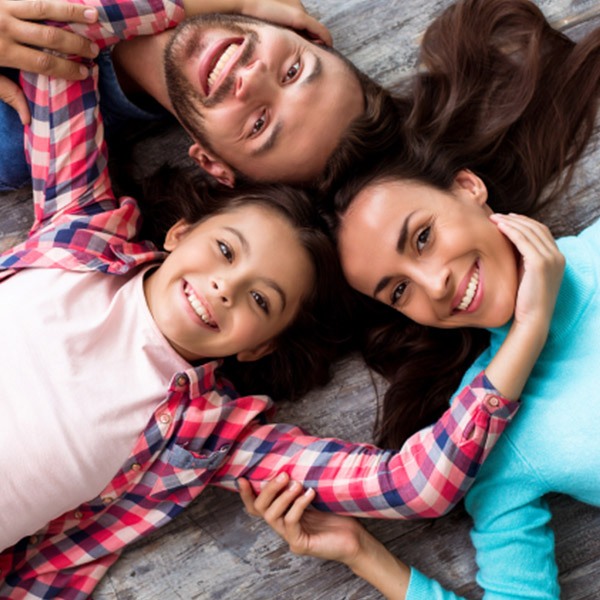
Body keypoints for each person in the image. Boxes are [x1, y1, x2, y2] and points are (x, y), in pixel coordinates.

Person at [0, 0, 560, 597]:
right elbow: (62, 32)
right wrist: (220, 9)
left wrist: (526, 332)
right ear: (181, 234)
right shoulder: (78, 224)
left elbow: (415, 485)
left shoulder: (209, 437)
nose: (225, 286)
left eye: (261, 301)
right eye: (223, 250)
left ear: (259, 346)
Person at [239, 2, 600, 598]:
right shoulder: (491, 438)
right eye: (399, 289)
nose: (435, 286)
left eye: (423, 238)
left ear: (468, 187)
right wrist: (363, 554)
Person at [0, 0, 396, 192]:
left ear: (211, 162)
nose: (253, 77)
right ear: (305, 35)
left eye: (259, 124)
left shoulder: (26, 138)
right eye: (292, 71)